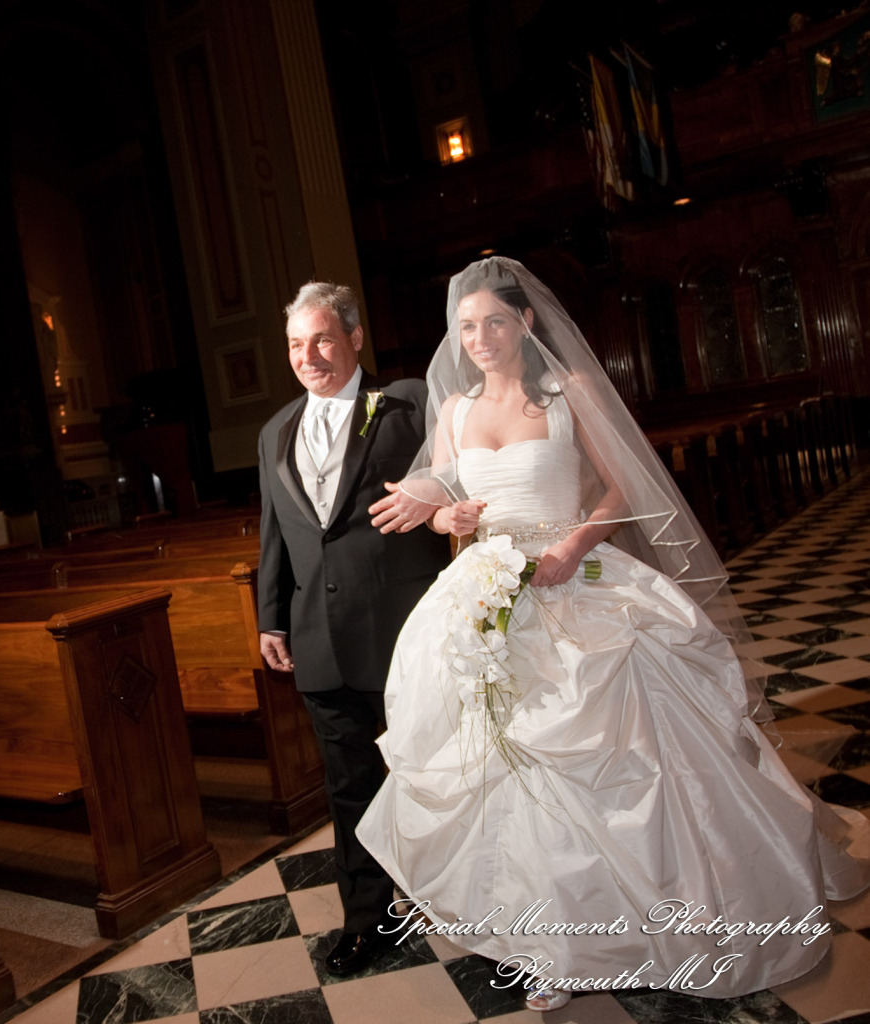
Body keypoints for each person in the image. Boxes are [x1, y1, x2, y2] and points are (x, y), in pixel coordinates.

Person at [356, 256, 870, 1011]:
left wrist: (574, 545)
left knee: (618, 760)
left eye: (495, 321)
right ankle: (553, 948)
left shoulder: (571, 392)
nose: (481, 337)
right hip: (488, 598)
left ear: (526, 323)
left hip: (577, 580)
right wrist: (444, 516)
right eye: (467, 326)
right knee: (516, 772)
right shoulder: (456, 409)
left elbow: (623, 481)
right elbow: (444, 494)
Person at [257, 281, 451, 976]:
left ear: (355, 339)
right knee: (350, 788)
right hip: (318, 638)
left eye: (322, 340)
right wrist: (270, 618)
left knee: (440, 774)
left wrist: (438, 498)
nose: (308, 356)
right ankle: (368, 920)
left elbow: (463, 478)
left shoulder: (408, 405)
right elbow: (275, 535)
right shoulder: (273, 430)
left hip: (405, 630)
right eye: (295, 345)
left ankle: (472, 907)